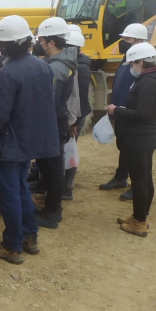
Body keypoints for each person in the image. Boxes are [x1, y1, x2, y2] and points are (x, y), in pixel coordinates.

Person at [0, 15, 59, 265]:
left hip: (9, 144)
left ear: (8, 45)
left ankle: (12, 245)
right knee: (21, 188)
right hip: (29, 142)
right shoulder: (42, 66)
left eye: (1, 43)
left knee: (10, 194)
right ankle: (29, 236)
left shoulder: (8, 73)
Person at [106, 43, 156, 237]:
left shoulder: (147, 83)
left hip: (139, 137)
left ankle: (139, 223)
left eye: (133, 64)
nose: (132, 68)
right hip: (147, 135)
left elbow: (142, 114)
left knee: (140, 181)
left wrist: (116, 110)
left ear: (141, 62)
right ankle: (139, 216)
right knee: (144, 178)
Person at [30, 17, 76, 229]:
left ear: (50, 42)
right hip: (57, 120)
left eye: (41, 39)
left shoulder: (56, 68)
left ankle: (52, 213)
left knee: (53, 169)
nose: (39, 43)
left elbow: (49, 101)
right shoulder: (60, 63)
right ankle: (51, 207)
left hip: (52, 121)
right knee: (51, 167)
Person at [100, 23, 148, 201]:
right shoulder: (126, 58)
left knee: (134, 151)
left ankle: (137, 186)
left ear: (138, 41)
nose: (122, 42)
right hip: (120, 112)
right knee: (124, 147)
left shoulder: (144, 64)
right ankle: (121, 177)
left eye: (127, 39)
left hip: (131, 114)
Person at [63, 27, 93, 200]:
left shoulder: (80, 67)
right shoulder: (80, 63)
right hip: (74, 114)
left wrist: (73, 122)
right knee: (67, 149)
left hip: (75, 115)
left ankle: (66, 188)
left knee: (68, 150)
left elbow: (78, 98)